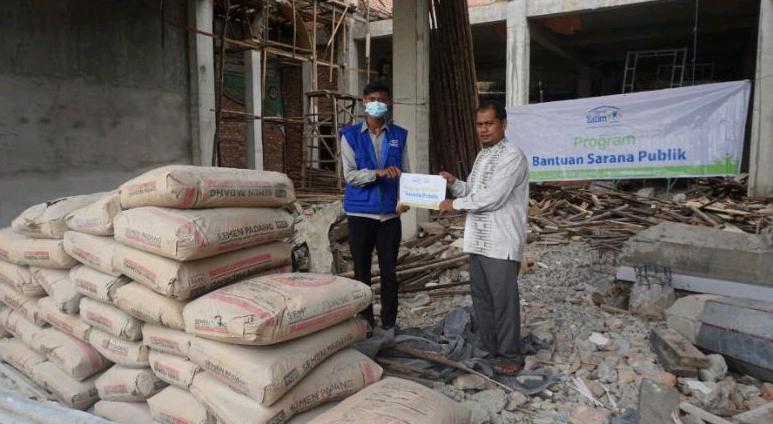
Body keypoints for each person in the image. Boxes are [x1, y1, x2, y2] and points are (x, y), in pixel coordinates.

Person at [438, 100, 529, 374]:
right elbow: (472, 191)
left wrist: (453, 205)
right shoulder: (482, 156)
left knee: (503, 303)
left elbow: (492, 197)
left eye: (489, 123)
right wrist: (454, 184)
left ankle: (511, 354)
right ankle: (491, 349)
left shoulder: (513, 155)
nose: (484, 130)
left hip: (501, 242)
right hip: (478, 239)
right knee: (483, 299)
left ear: (503, 124)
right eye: (479, 125)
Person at [340, 81, 410, 331]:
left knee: (390, 273)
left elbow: (406, 174)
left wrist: (406, 199)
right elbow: (350, 175)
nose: (376, 103)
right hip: (359, 214)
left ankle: (390, 324)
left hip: (390, 216)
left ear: (388, 103)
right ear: (363, 102)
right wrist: (378, 173)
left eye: (381, 99)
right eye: (371, 99)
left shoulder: (399, 135)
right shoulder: (349, 136)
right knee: (362, 273)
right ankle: (366, 322)